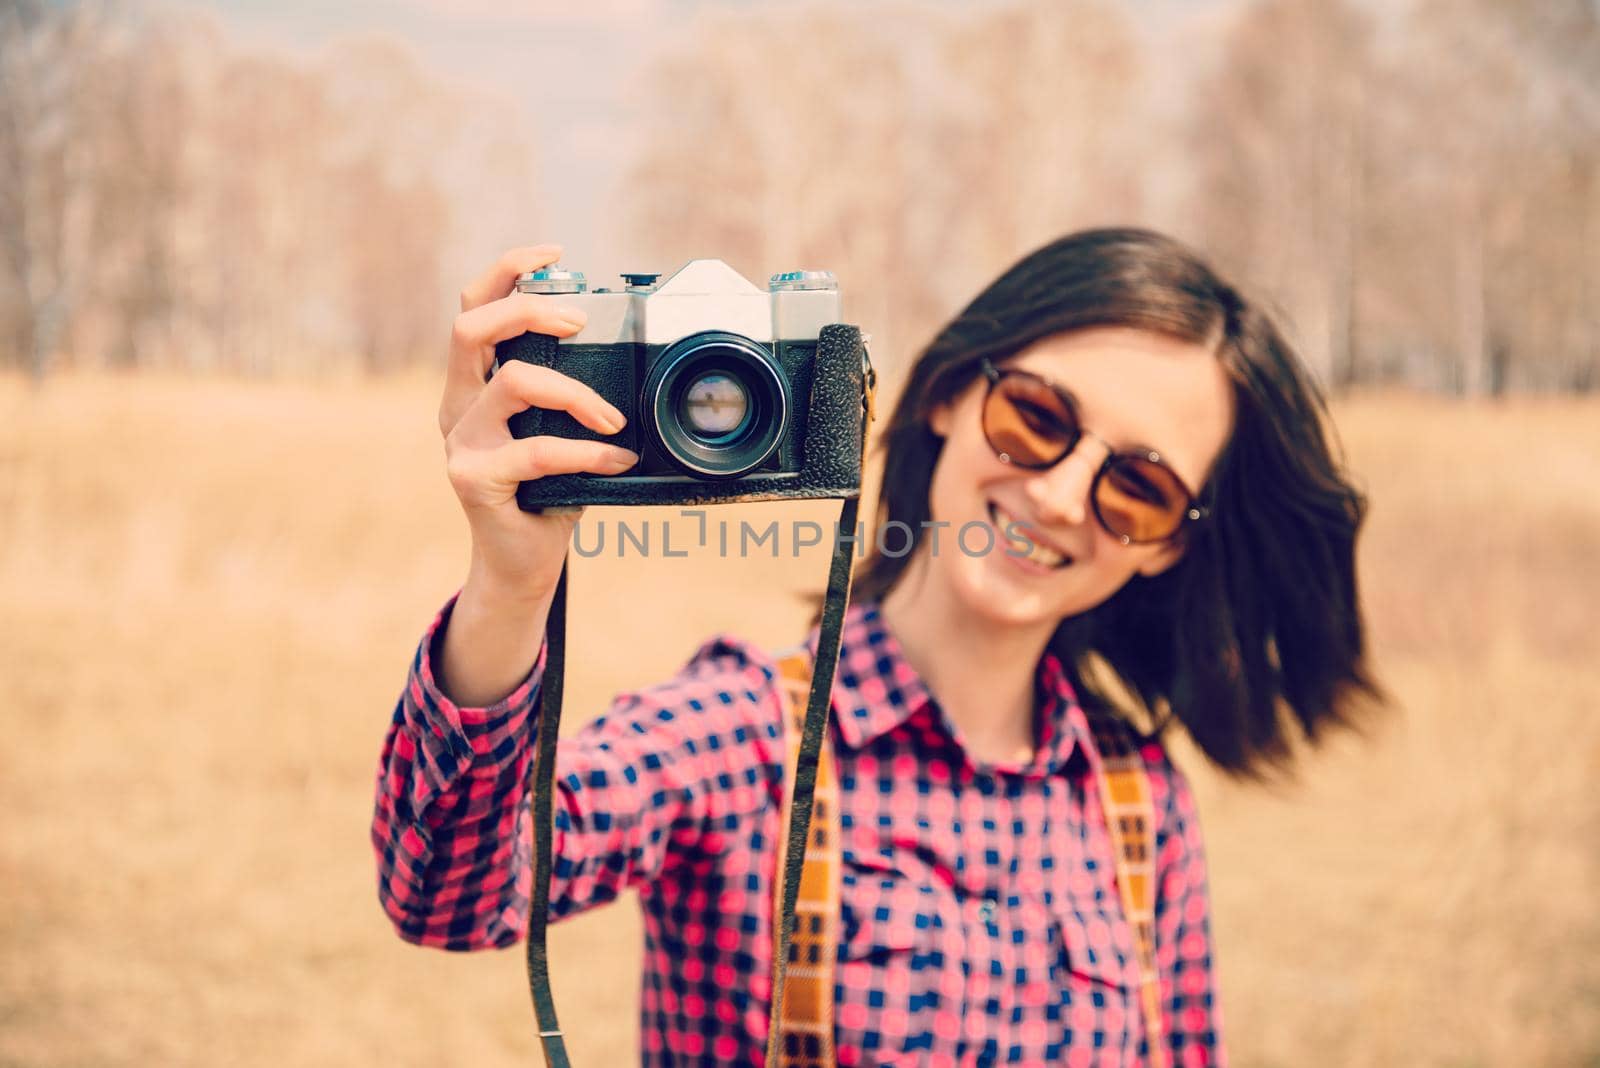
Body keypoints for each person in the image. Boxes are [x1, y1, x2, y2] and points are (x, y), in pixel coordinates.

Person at [371, 227, 1383, 1066]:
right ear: (947, 393)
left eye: (1140, 486)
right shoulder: (743, 737)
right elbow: (450, 894)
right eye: (1036, 418)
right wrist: (511, 581)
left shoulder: (1139, 802)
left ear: (1168, 545)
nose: (1061, 496)